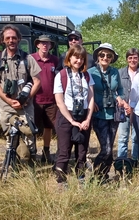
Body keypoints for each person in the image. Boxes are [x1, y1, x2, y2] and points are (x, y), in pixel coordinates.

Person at [0, 25, 41, 163]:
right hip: (6, 107)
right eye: (8, 38)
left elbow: (37, 81)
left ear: (19, 39)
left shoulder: (28, 59)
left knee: (28, 136)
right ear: (3, 40)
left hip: (25, 107)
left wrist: (26, 98)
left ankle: (30, 162)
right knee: (10, 137)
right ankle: (13, 164)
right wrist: (8, 101)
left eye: (14, 38)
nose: (11, 40)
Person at [53, 45, 95, 186]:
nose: (79, 60)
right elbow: (59, 101)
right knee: (64, 151)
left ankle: (81, 179)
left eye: (81, 58)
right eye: (76, 57)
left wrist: (87, 119)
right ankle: (61, 181)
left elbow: (91, 98)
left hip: (83, 116)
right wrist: (71, 121)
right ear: (69, 58)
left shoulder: (87, 76)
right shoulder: (61, 75)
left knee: (82, 152)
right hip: (66, 116)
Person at [88, 43, 124, 182]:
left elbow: (119, 89)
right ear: (98, 56)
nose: (105, 57)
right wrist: (92, 102)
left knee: (110, 146)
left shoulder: (115, 72)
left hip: (113, 114)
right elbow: (85, 91)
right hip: (99, 115)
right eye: (102, 55)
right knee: (107, 148)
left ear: (112, 58)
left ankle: (104, 175)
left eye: (109, 55)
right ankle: (96, 174)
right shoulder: (91, 72)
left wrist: (119, 97)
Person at [31, 35, 59, 164]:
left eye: (47, 43)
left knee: (48, 127)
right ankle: (32, 152)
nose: (45, 45)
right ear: (37, 45)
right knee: (32, 128)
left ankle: (46, 152)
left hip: (51, 101)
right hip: (34, 100)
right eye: (42, 43)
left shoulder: (55, 60)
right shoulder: (31, 59)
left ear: (50, 46)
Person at [117, 48, 139, 161]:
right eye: (130, 58)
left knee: (136, 138)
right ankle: (121, 161)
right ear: (127, 59)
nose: (133, 60)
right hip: (123, 109)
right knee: (123, 138)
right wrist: (124, 103)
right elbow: (115, 90)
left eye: (135, 58)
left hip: (138, 111)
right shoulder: (120, 72)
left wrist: (134, 107)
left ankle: (135, 161)